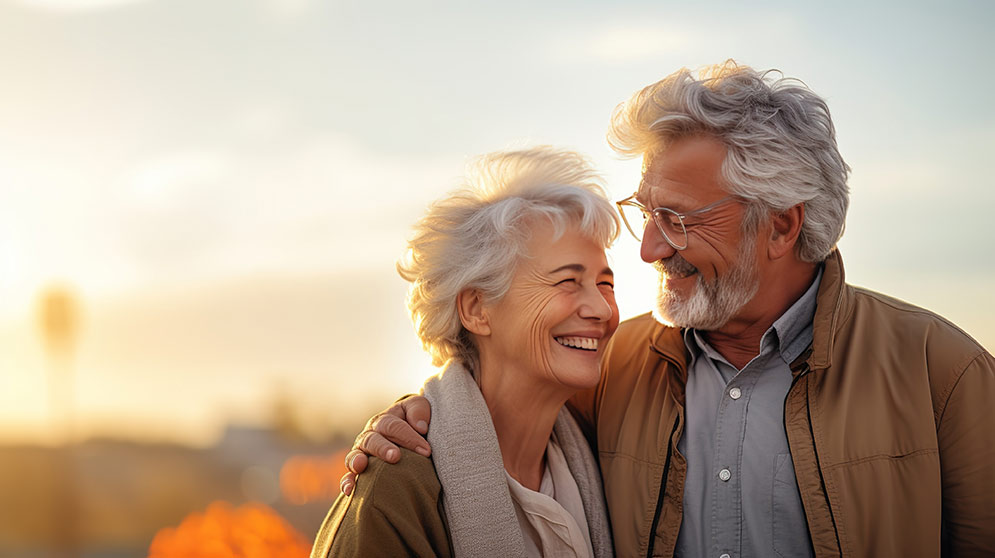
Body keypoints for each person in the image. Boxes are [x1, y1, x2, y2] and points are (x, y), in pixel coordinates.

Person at [341, 62, 995, 557]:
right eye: (646, 213)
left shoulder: (942, 372)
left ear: (779, 226)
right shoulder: (611, 367)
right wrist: (408, 418)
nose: (649, 248)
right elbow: (487, 409)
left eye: (677, 218)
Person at [311, 147, 618, 557]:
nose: (600, 309)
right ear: (476, 309)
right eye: (567, 282)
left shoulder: (609, 453)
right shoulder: (397, 488)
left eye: (605, 284)